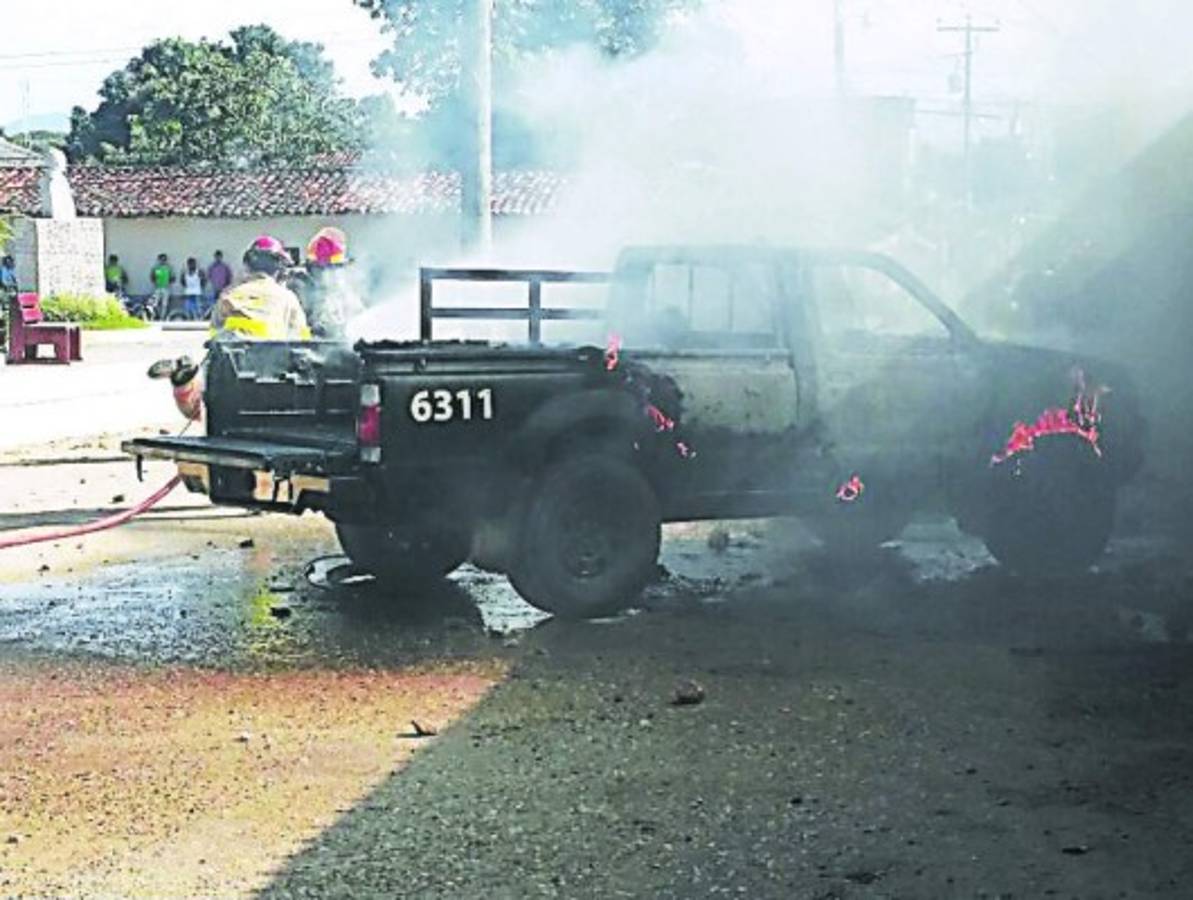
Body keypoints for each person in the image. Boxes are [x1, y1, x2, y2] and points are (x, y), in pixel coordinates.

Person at [149, 236, 310, 421]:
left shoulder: (228, 294)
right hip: (268, 372)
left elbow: (214, 335)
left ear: (248, 266)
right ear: (279, 269)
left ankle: (183, 382)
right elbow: (303, 344)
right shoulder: (287, 298)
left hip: (228, 369)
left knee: (198, 411)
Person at [295, 226, 364, 338]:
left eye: (329, 268)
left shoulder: (349, 297)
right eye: (318, 268)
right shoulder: (301, 291)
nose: (323, 274)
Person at [149, 253, 175, 318]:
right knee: (155, 304)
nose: (163, 261)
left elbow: (173, 277)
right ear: (159, 260)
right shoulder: (155, 268)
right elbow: (152, 277)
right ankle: (156, 315)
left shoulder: (169, 268)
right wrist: (155, 283)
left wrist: (168, 283)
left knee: (164, 304)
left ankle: (162, 317)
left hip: (166, 288)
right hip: (157, 288)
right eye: (161, 259)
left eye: (164, 259)